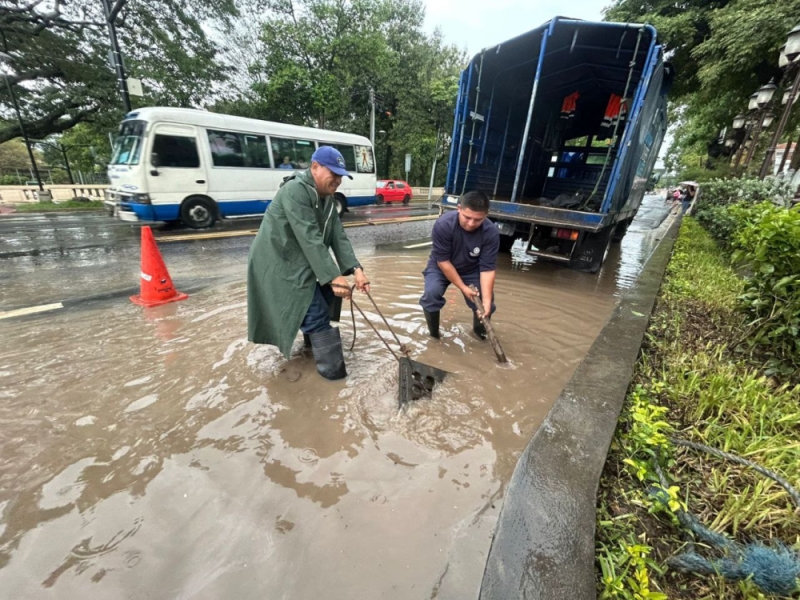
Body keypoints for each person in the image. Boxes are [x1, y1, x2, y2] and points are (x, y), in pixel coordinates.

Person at [247, 146, 369, 380]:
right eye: (333, 174)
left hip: (303, 261)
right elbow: (309, 237)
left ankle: (311, 354)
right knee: (315, 315)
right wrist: (334, 276)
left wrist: (356, 269)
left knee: (321, 303)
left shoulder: (327, 199)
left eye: (341, 176)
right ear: (314, 167)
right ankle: (335, 379)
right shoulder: (295, 190)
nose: (338, 180)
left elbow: (338, 235)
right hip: (279, 263)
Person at [419, 190, 499, 340]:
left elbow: (487, 270)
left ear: (486, 215)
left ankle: (480, 337)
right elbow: (443, 261)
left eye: (477, 220)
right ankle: (434, 336)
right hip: (441, 267)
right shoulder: (443, 225)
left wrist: (487, 302)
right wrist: (463, 287)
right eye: (467, 217)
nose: (471, 223)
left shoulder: (490, 232)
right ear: (459, 209)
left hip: (471, 269)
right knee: (431, 294)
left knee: (485, 303)